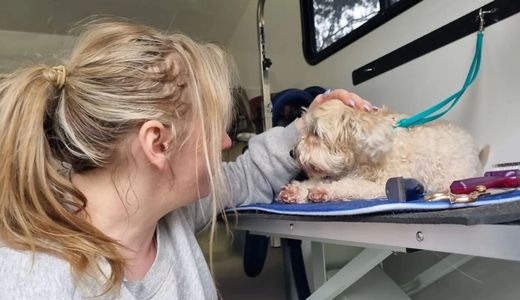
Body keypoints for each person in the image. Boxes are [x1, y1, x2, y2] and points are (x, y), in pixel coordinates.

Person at [0, 20, 374, 299]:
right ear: (158, 143)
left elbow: (245, 175)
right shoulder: (31, 279)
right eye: (215, 126)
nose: (227, 140)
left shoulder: (166, 213)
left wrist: (307, 125)